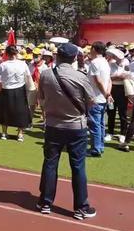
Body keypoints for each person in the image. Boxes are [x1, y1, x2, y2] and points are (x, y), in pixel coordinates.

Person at [37, 43, 97, 220]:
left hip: (53, 125)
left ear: (58, 56)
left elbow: (41, 98)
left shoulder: (46, 74)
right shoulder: (80, 76)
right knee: (78, 166)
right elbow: (92, 101)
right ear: (74, 58)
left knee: (50, 163)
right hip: (75, 126)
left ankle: (45, 202)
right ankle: (81, 207)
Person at [0, 45, 33, 142]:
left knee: (5, 111)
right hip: (19, 90)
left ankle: (4, 133)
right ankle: (20, 134)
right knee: (21, 112)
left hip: (7, 89)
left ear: (6, 54)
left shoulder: (3, 65)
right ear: (16, 53)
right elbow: (28, 75)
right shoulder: (23, 64)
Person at [87, 41, 112, 157]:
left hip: (95, 98)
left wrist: (106, 94)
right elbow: (109, 81)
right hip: (101, 98)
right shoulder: (105, 62)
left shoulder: (95, 62)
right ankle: (100, 147)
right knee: (100, 124)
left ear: (94, 49)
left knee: (95, 124)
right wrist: (107, 94)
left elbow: (98, 81)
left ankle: (96, 149)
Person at [106, 47, 129, 143]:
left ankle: (123, 133)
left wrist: (117, 77)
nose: (114, 57)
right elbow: (108, 77)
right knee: (111, 111)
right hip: (112, 89)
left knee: (122, 113)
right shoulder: (110, 64)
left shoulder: (126, 63)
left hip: (123, 90)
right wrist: (117, 77)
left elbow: (127, 76)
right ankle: (110, 132)